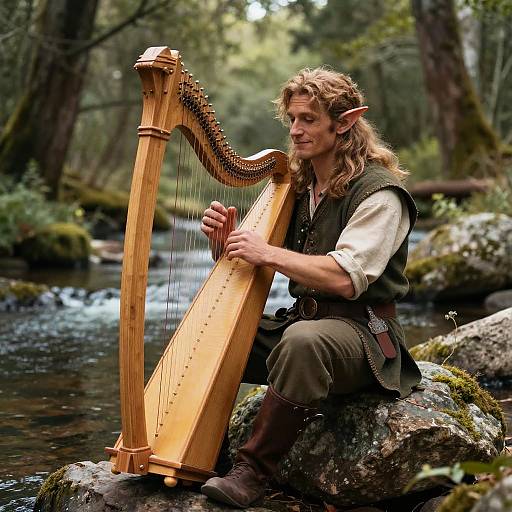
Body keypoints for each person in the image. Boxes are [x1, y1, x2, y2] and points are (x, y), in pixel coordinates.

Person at [199, 68, 422, 508]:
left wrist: (267, 252)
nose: (296, 131)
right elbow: (261, 271)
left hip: (365, 337)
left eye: (308, 120)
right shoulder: (298, 189)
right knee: (218, 331)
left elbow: (345, 276)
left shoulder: (381, 194)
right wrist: (228, 248)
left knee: (304, 343)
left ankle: (252, 473)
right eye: (293, 120)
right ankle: (203, 455)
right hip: (305, 324)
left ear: (344, 123)